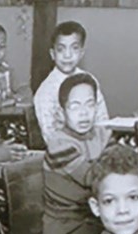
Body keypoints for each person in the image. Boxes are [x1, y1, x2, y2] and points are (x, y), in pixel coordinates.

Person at [42, 73, 112, 234]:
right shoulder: (59, 144)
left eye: (90, 104)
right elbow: (93, 177)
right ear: (61, 112)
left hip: (93, 218)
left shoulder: (101, 134)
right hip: (67, 229)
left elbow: (120, 161)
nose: (84, 113)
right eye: (75, 106)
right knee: (124, 233)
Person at [33, 21, 108, 153]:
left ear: (81, 53)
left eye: (74, 48)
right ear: (52, 54)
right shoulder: (46, 92)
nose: (67, 55)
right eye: (61, 49)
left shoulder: (90, 81)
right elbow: (50, 134)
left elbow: (102, 121)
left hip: (95, 148)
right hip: (65, 153)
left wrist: (99, 148)